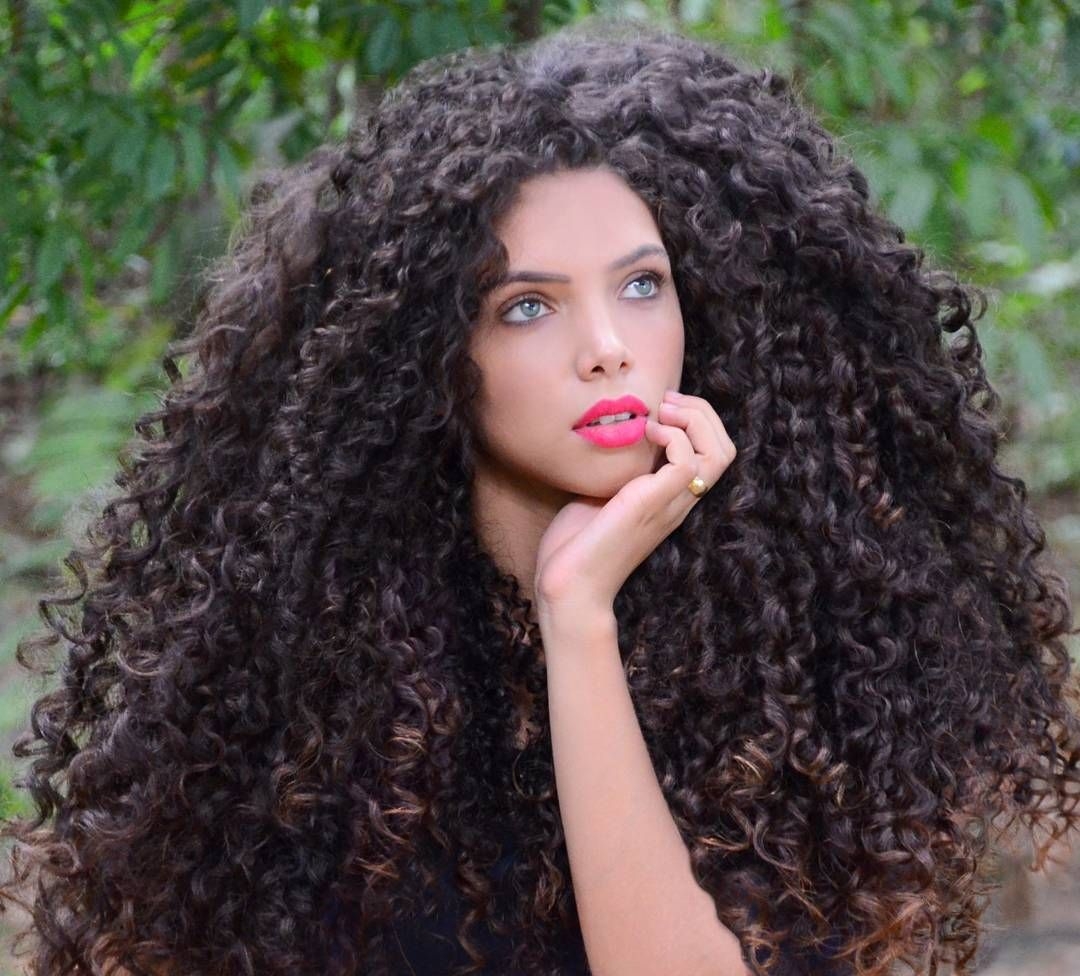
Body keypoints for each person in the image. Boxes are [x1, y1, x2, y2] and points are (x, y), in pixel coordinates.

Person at [1, 14, 1078, 976]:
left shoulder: (800, 659)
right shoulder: (300, 681)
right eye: (527, 306)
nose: (608, 347)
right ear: (428, 357)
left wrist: (580, 621)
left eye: (643, 285)